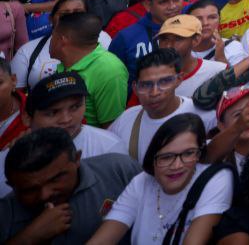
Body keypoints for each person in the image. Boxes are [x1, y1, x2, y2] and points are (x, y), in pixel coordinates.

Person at [87, 113, 234, 244]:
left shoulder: (214, 179)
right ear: (152, 158)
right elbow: (104, 237)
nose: (177, 165)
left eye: (188, 153)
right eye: (166, 157)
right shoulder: (141, 182)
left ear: (199, 154)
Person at [0, 127, 140, 244]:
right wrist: (28, 237)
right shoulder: (6, 212)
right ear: (12, 185)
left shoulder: (119, 170)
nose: (45, 194)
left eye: (55, 179)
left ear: (77, 159)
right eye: (30, 189)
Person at [108, 48, 217, 162]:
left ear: (179, 79)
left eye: (164, 82)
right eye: (146, 85)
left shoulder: (205, 116)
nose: (155, 92)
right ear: (135, 88)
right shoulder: (125, 120)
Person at [50, 11, 128, 127]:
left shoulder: (109, 71)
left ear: (62, 40)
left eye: (53, 35)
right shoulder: (65, 63)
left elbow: (112, 129)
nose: (50, 40)